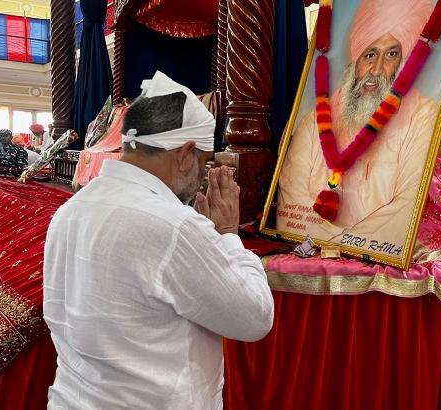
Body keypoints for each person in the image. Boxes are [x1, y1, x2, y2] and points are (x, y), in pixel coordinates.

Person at [43, 71, 274, 409]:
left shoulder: (71, 210)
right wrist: (227, 235)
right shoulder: (172, 225)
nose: (200, 181)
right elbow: (255, 317)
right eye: (204, 163)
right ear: (185, 153)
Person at [277, 0, 438, 253]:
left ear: (404, 59)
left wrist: (338, 244)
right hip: (316, 255)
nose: (375, 70)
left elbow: (406, 209)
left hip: (381, 260)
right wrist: (347, 243)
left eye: (392, 54)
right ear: (356, 55)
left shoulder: (422, 117)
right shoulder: (314, 121)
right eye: (370, 54)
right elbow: (290, 206)